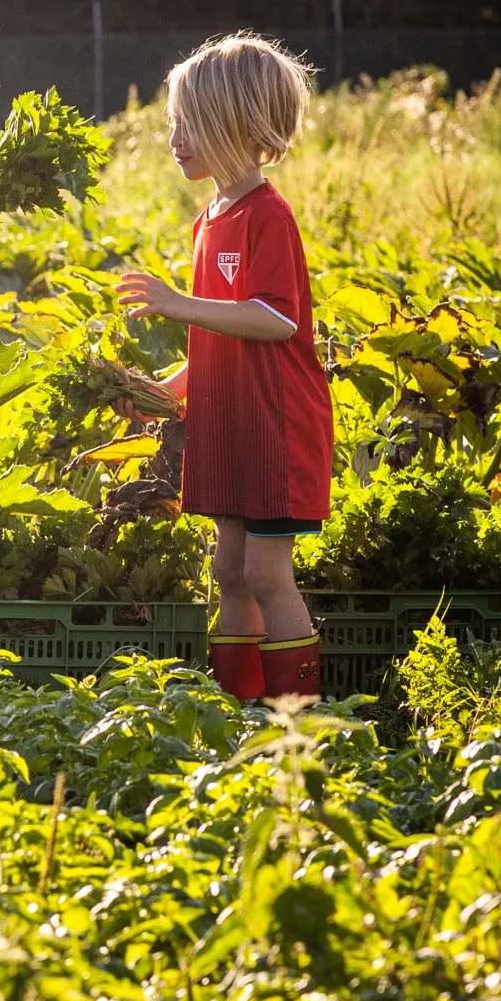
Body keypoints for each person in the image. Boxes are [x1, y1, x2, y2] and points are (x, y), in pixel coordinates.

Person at [114, 34, 332, 701]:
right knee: (228, 571)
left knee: (268, 575)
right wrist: (164, 391)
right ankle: (238, 708)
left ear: (238, 127)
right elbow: (220, 341)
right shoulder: (210, 220)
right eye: (175, 123)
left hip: (276, 430)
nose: (176, 138)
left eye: (191, 125)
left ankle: (299, 720)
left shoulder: (269, 216)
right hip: (234, 428)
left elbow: (276, 319)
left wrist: (180, 303)